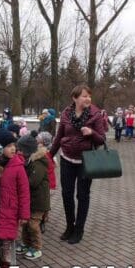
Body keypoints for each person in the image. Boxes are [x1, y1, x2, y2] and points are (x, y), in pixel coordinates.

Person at [50, 85, 106, 244]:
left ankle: (79, 229)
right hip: (67, 159)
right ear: (74, 98)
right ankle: (70, 226)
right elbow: (59, 137)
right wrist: (49, 155)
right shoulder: (66, 114)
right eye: (84, 96)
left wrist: (92, 132)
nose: (88, 99)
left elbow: (102, 139)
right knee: (66, 194)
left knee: (82, 195)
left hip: (85, 162)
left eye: (89, 96)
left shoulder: (95, 115)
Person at [0, 128, 30, 268]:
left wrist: (24, 214)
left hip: (10, 213)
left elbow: (24, 192)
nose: (13, 148)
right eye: (8, 146)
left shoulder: (18, 166)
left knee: (6, 247)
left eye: (14, 145)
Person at [16, 131, 50, 260]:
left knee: (33, 224)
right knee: (26, 223)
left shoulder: (38, 163)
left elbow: (33, 182)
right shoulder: (29, 161)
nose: (19, 152)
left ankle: (36, 247)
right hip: (31, 199)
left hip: (39, 201)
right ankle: (26, 243)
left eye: (21, 149)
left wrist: (20, 182)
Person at [36, 131, 56, 234]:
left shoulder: (45, 155)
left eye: (38, 139)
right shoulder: (46, 153)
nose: (36, 139)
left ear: (43, 142)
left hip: (46, 185)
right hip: (47, 184)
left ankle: (42, 221)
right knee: (44, 203)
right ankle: (42, 219)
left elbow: (47, 172)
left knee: (43, 204)